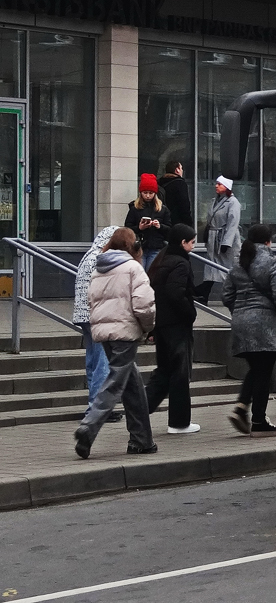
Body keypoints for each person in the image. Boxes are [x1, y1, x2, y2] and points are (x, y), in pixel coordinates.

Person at [74, 228, 157, 459]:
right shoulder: (133, 268)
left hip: (104, 333)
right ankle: (89, 426)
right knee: (115, 383)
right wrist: (148, 327)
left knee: (133, 386)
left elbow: (91, 299)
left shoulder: (100, 268)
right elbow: (144, 304)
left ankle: (142, 440)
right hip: (125, 332)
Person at [222, 224, 276, 437]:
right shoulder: (271, 261)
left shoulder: (239, 263)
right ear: (268, 241)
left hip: (241, 323)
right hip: (264, 324)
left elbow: (226, 296)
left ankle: (242, 407)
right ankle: (259, 421)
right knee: (264, 372)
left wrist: (241, 311)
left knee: (257, 369)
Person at [145, 223, 200, 434]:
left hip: (161, 324)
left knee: (164, 372)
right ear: (182, 242)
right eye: (192, 242)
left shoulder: (161, 261)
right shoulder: (181, 263)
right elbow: (175, 293)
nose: (193, 246)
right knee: (179, 374)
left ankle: (140, 410)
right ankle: (179, 422)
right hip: (177, 325)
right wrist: (190, 313)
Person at [72, 226, 118, 422]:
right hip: (98, 316)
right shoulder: (102, 258)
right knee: (102, 363)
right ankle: (99, 409)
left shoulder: (88, 256)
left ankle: (94, 405)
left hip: (84, 315)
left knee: (93, 361)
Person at [197, 175, 242, 304]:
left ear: (227, 187)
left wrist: (226, 242)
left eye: (220, 184)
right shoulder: (214, 201)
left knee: (227, 267)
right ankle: (204, 293)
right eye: (216, 183)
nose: (216, 186)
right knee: (211, 265)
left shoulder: (233, 202)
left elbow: (233, 223)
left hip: (225, 240)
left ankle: (236, 294)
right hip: (213, 239)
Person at [125, 174, 172, 270]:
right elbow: (127, 228)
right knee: (139, 273)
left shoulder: (162, 209)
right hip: (139, 247)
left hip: (156, 247)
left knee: (151, 273)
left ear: (155, 193)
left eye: (150, 193)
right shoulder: (134, 209)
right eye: (145, 192)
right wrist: (139, 228)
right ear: (141, 193)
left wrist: (159, 226)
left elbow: (169, 229)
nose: (147, 196)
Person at [159, 160, 193, 228]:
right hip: (177, 221)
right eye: (181, 168)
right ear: (177, 170)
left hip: (163, 221)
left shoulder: (160, 183)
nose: (182, 170)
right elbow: (184, 204)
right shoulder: (180, 183)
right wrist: (188, 222)